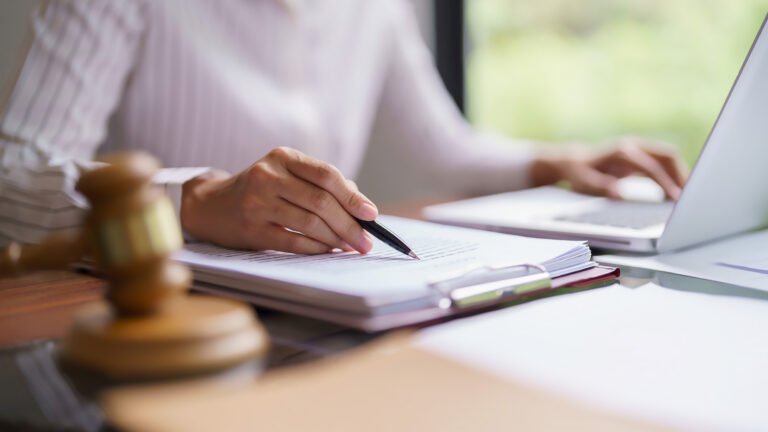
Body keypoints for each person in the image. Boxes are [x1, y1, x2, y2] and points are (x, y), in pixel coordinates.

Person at [0, 0, 686, 254]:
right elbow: (13, 177)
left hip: (321, 314)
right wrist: (196, 199)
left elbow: (440, 146)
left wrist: (565, 162)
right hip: (156, 322)